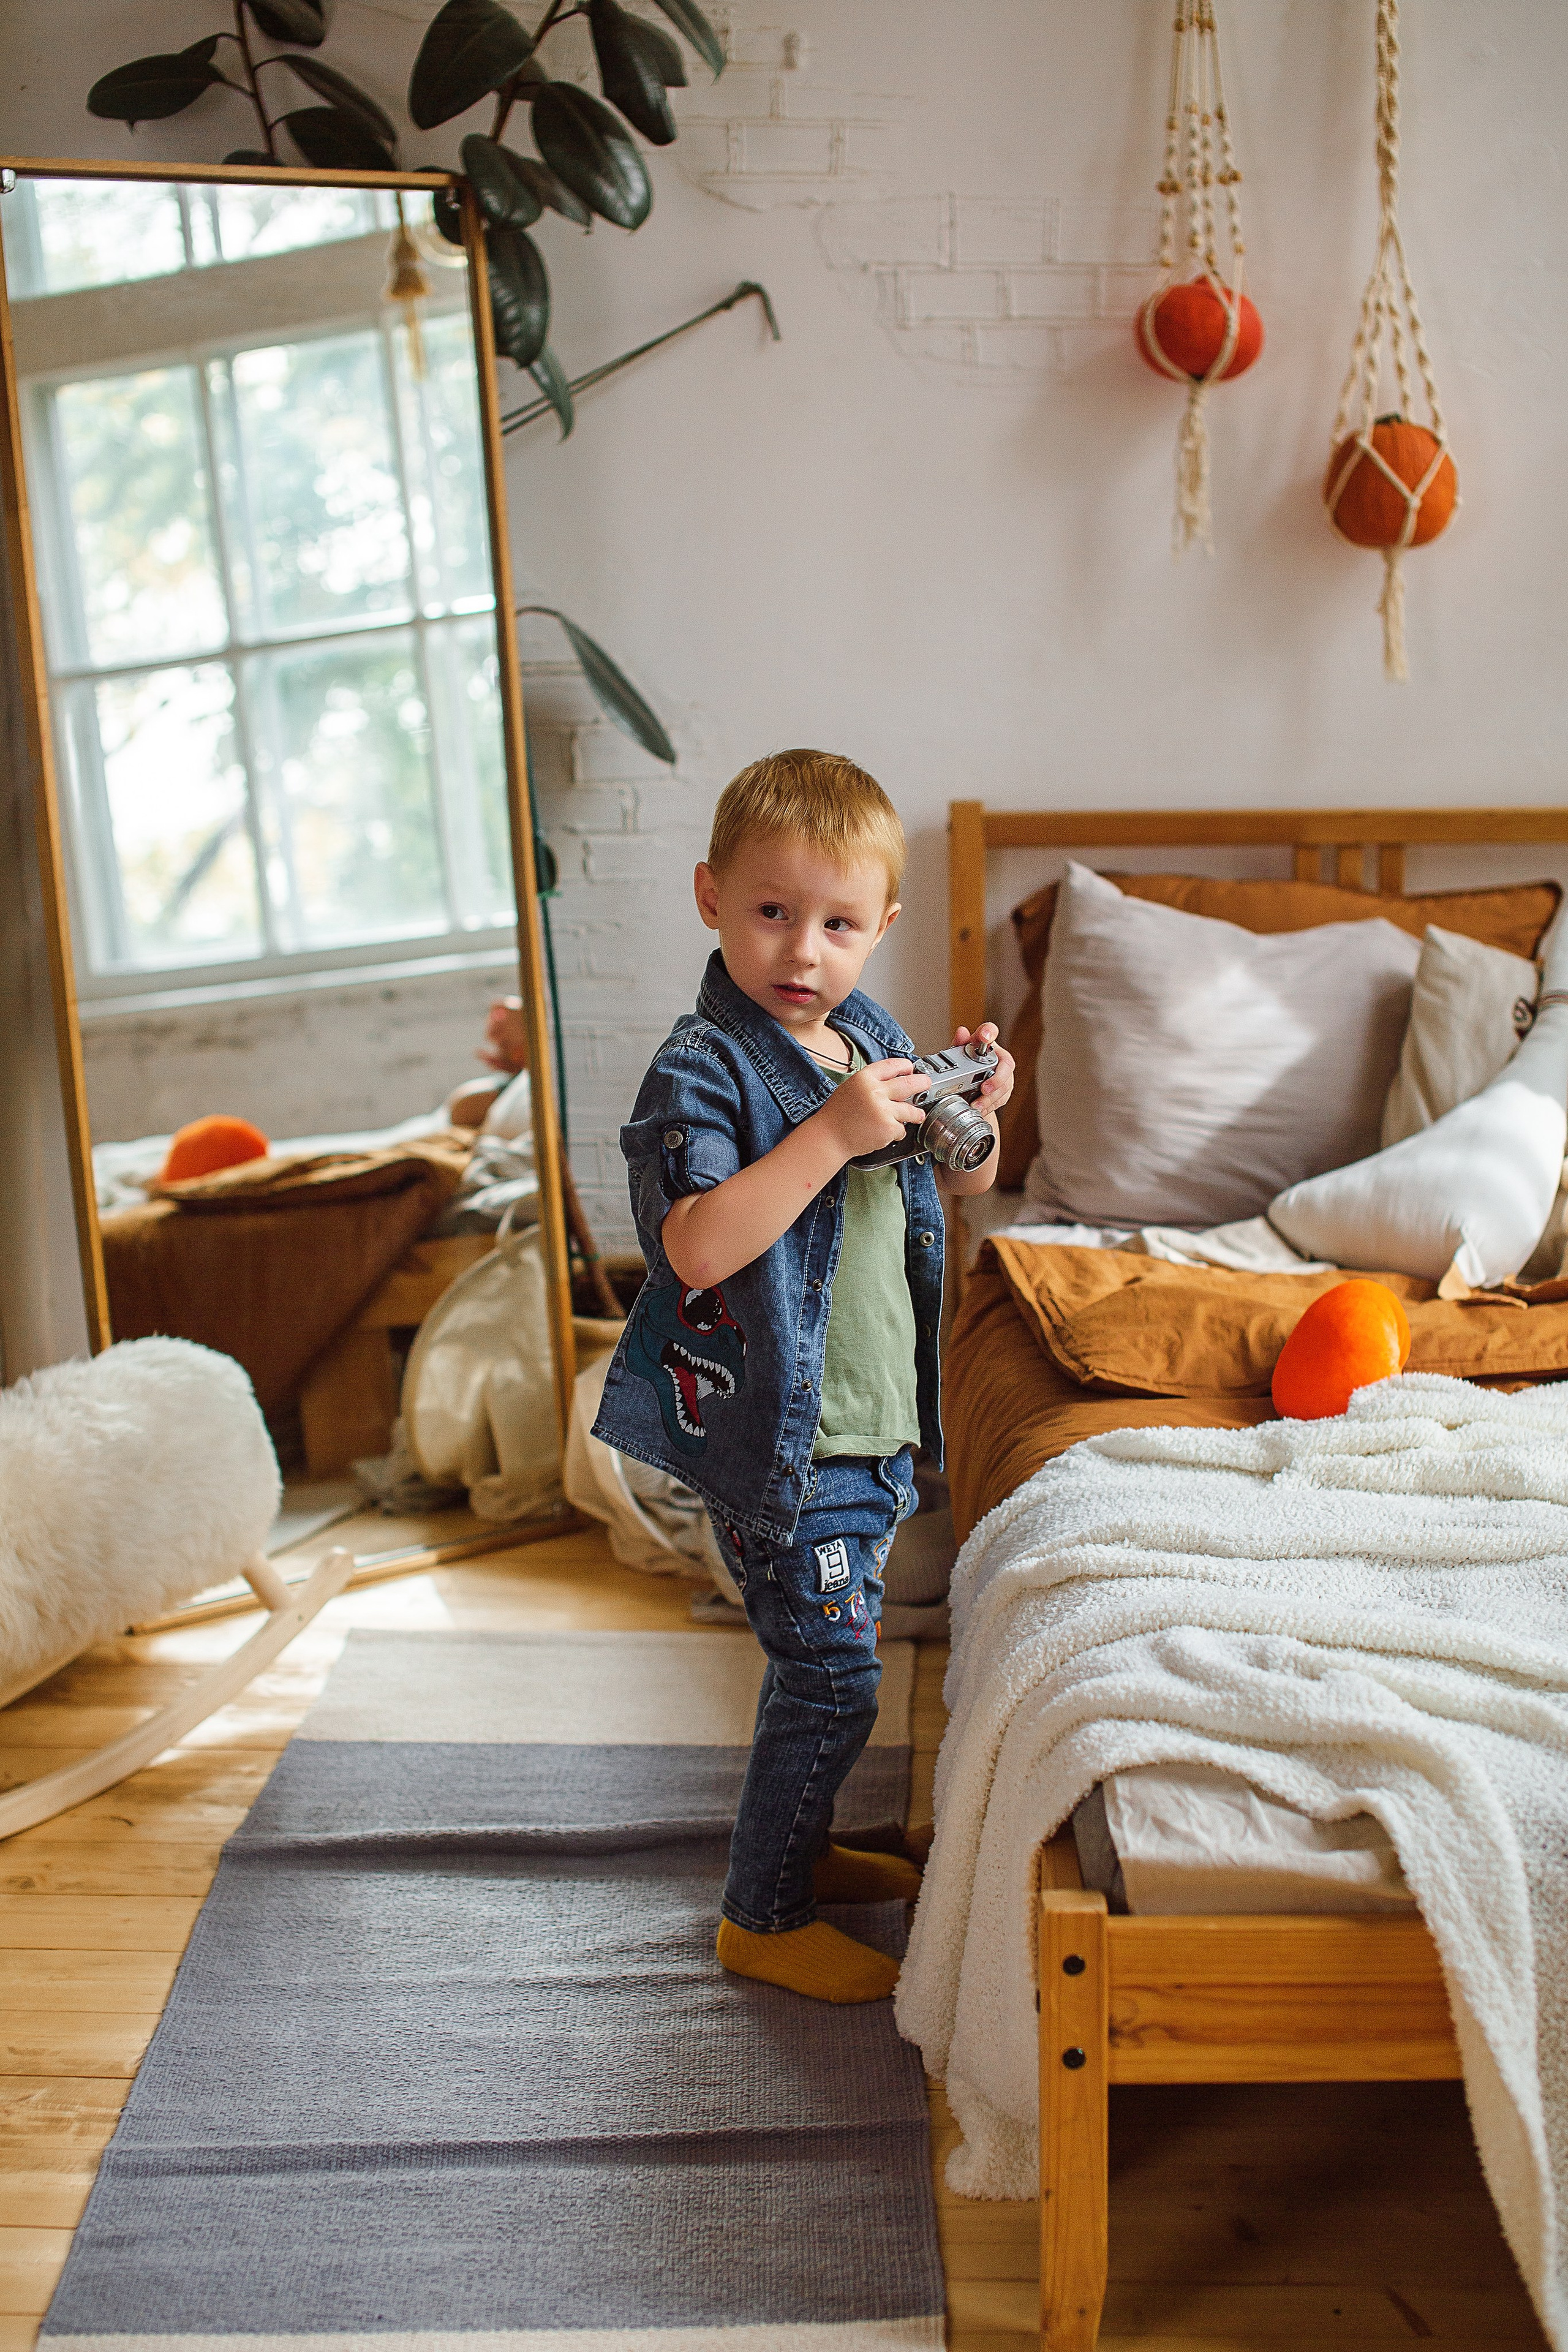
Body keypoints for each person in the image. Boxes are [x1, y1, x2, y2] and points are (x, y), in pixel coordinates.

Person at [593, 749, 1014, 2003]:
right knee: (830, 1675)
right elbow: (694, 1245)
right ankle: (759, 1917)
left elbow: (965, 1176)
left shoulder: (868, 1038)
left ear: (880, 927)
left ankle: (804, 1848)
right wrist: (832, 1134)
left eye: (836, 924)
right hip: (783, 1441)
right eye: (770, 912)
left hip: (871, 1427)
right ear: (709, 897)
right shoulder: (701, 1066)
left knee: (827, 1665)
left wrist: (978, 1101)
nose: (799, 951)